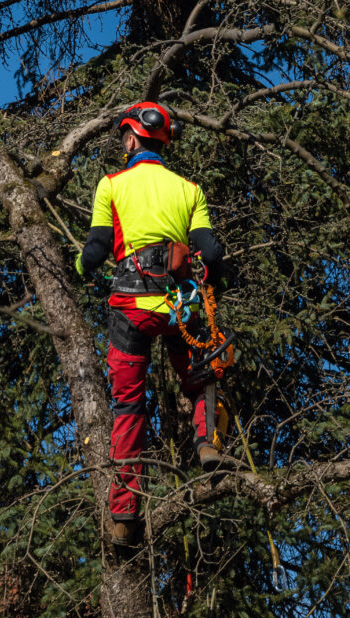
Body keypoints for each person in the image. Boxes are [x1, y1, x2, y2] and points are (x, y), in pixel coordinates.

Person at [75, 102, 227, 547]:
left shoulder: (112, 184)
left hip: (132, 309)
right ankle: (207, 445)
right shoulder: (189, 189)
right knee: (202, 380)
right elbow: (211, 254)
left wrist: (80, 267)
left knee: (128, 405)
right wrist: (213, 278)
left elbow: (97, 249)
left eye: (125, 135)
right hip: (180, 308)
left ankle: (124, 513)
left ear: (133, 139)